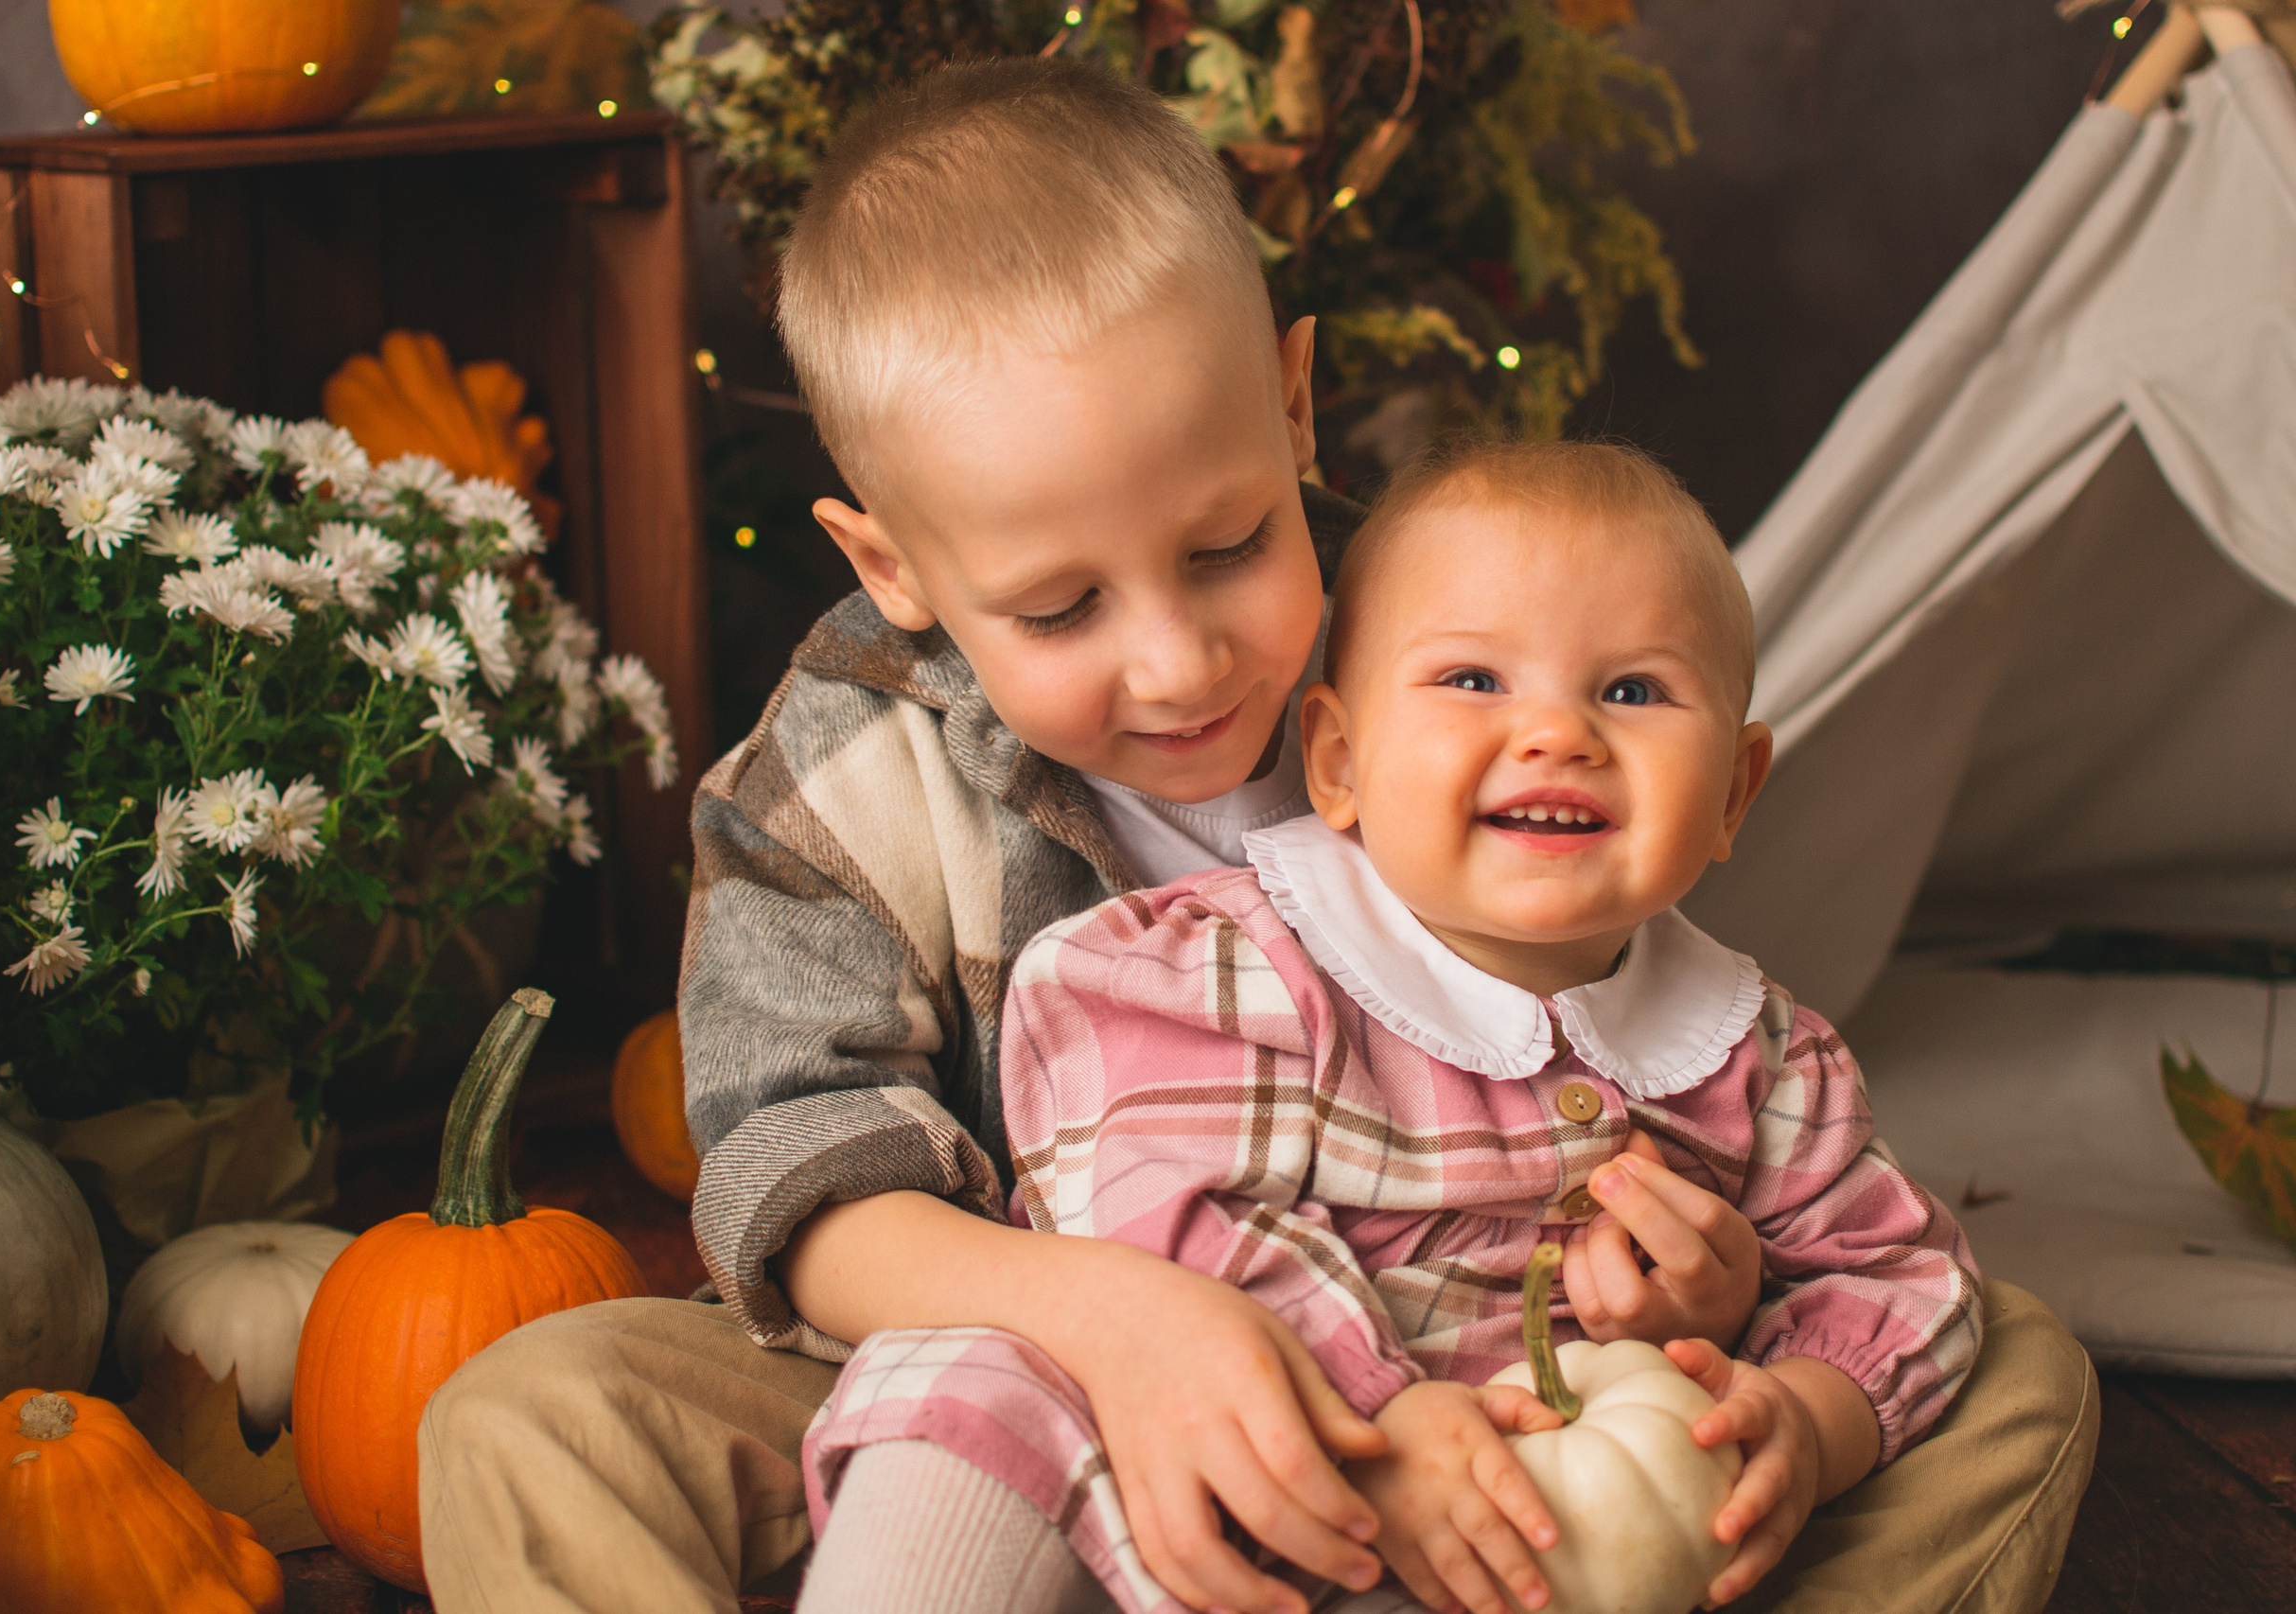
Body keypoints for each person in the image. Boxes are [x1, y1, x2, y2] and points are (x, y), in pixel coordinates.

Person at [413, 60, 2098, 1614]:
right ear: (896, 569)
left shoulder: (1446, 650)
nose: (1181, 659)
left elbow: (1620, 1004)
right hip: (1008, 1336)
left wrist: (1711, 1303)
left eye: (1226, 547)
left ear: (1293, 403)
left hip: (1457, 1355)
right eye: (1062, 604)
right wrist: (1129, 1320)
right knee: (530, 1414)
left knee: (2012, 1358)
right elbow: (800, 1185)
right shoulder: (833, 777)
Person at [803, 439, 1992, 1614]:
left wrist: (1802, 1416)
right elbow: (1161, 1216)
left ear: (1732, 792)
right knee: (975, 1385)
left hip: (1475, 1537)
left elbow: (1900, 1273)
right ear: (1336, 761)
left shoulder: (1762, 1059)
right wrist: (1376, 1409)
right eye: (1473, 679)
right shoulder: (1231, 967)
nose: (1557, 733)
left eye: (1630, 689)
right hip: (1167, 1448)